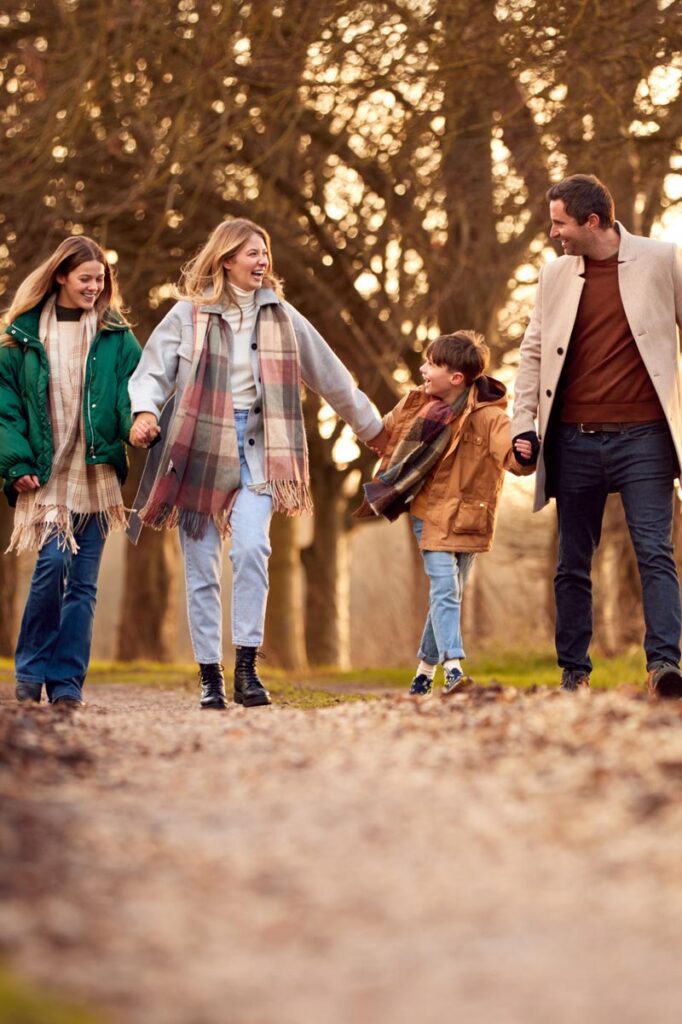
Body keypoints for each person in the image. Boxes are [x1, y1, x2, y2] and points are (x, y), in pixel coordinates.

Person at [128, 217, 387, 710]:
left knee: (251, 548)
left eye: (265, 252)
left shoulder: (282, 317)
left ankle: (247, 667)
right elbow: (151, 373)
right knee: (201, 562)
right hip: (199, 446)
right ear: (226, 259)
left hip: (260, 446)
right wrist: (143, 413)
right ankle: (210, 674)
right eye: (252, 253)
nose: (262, 261)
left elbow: (332, 377)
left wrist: (372, 429)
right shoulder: (189, 315)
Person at [512, 173, 682, 697]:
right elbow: (533, 351)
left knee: (654, 550)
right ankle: (574, 671)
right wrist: (523, 425)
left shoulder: (663, 260)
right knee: (572, 559)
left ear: (592, 221)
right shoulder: (554, 276)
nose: (554, 233)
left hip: (646, 438)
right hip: (574, 439)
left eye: (560, 222)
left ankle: (664, 667)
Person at [0, 236, 142, 709]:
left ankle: (66, 685)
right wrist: (15, 464)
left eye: (100, 280)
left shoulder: (116, 335)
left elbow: (131, 395)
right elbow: (6, 411)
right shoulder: (20, 338)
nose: (94, 287)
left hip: (97, 475)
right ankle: (30, 670)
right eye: (85, 278)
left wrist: (139, 424)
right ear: (61, 275)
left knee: (83, 583)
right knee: (54, 564)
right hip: (45, 473)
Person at [356, 330, 530, 697]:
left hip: (469, 517)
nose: (423, 369)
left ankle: (422, 671)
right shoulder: (415, 403)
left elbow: (513, 457)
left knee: (450, 593)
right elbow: (383, 434)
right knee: (445, 588)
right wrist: (356, 414)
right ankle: (453, 667)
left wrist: (526, 451)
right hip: (429, 511)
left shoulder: (490, 419)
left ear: (456, 378)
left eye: (432, 364)